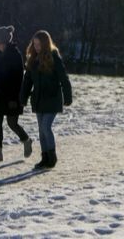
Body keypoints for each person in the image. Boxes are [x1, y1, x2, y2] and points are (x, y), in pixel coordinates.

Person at [20, 30, 72, 169]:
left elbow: (63, 78)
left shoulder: (54, 57)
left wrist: (68, 96)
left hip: (52, 98)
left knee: (45, 127)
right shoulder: (32, 59)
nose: (36, 47)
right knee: (41, 129)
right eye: (34, 44)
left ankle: (52, 157)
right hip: (38, 99)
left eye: (39, 44)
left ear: (45, 44)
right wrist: (23, 97)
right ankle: (45, 157)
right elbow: (27, 81)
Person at [0, 25, 32, 163]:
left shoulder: (15, 55)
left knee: (12, 123)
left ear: (1, 41)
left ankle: (26, 140)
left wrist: (14, 99)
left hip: (12, 97)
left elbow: (18, 80)